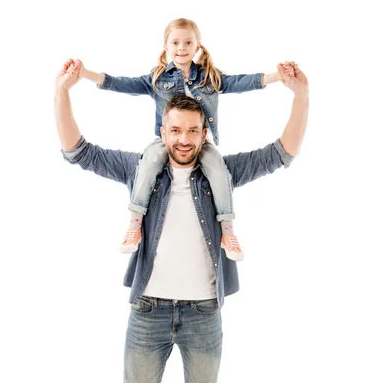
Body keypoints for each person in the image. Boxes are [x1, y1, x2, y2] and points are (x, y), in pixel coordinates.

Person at [54, 58, 309, 383]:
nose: (184, 139)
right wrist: (62, 91)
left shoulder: (222, 174)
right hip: (147, 312)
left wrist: (301, 97)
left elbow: (281, 153)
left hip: (203, 314)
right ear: (163, 130)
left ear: (205, 129)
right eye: (176, 130)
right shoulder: (139, 170)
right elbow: (78, 151)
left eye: (193, 129)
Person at [69, 18, 295, 260]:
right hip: (166, 142)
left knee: (219, 172)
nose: (181, 47)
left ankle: (228, 232)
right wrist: (84, 74)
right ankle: (134, 224)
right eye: (175, 42)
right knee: (147, 165)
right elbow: (121, 84)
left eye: (188, 42)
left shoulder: (209, 76)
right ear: (166, 47)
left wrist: (277, 76)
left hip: (200, 142)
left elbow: (242, 82)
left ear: (197, 46)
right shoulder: (157, 78)